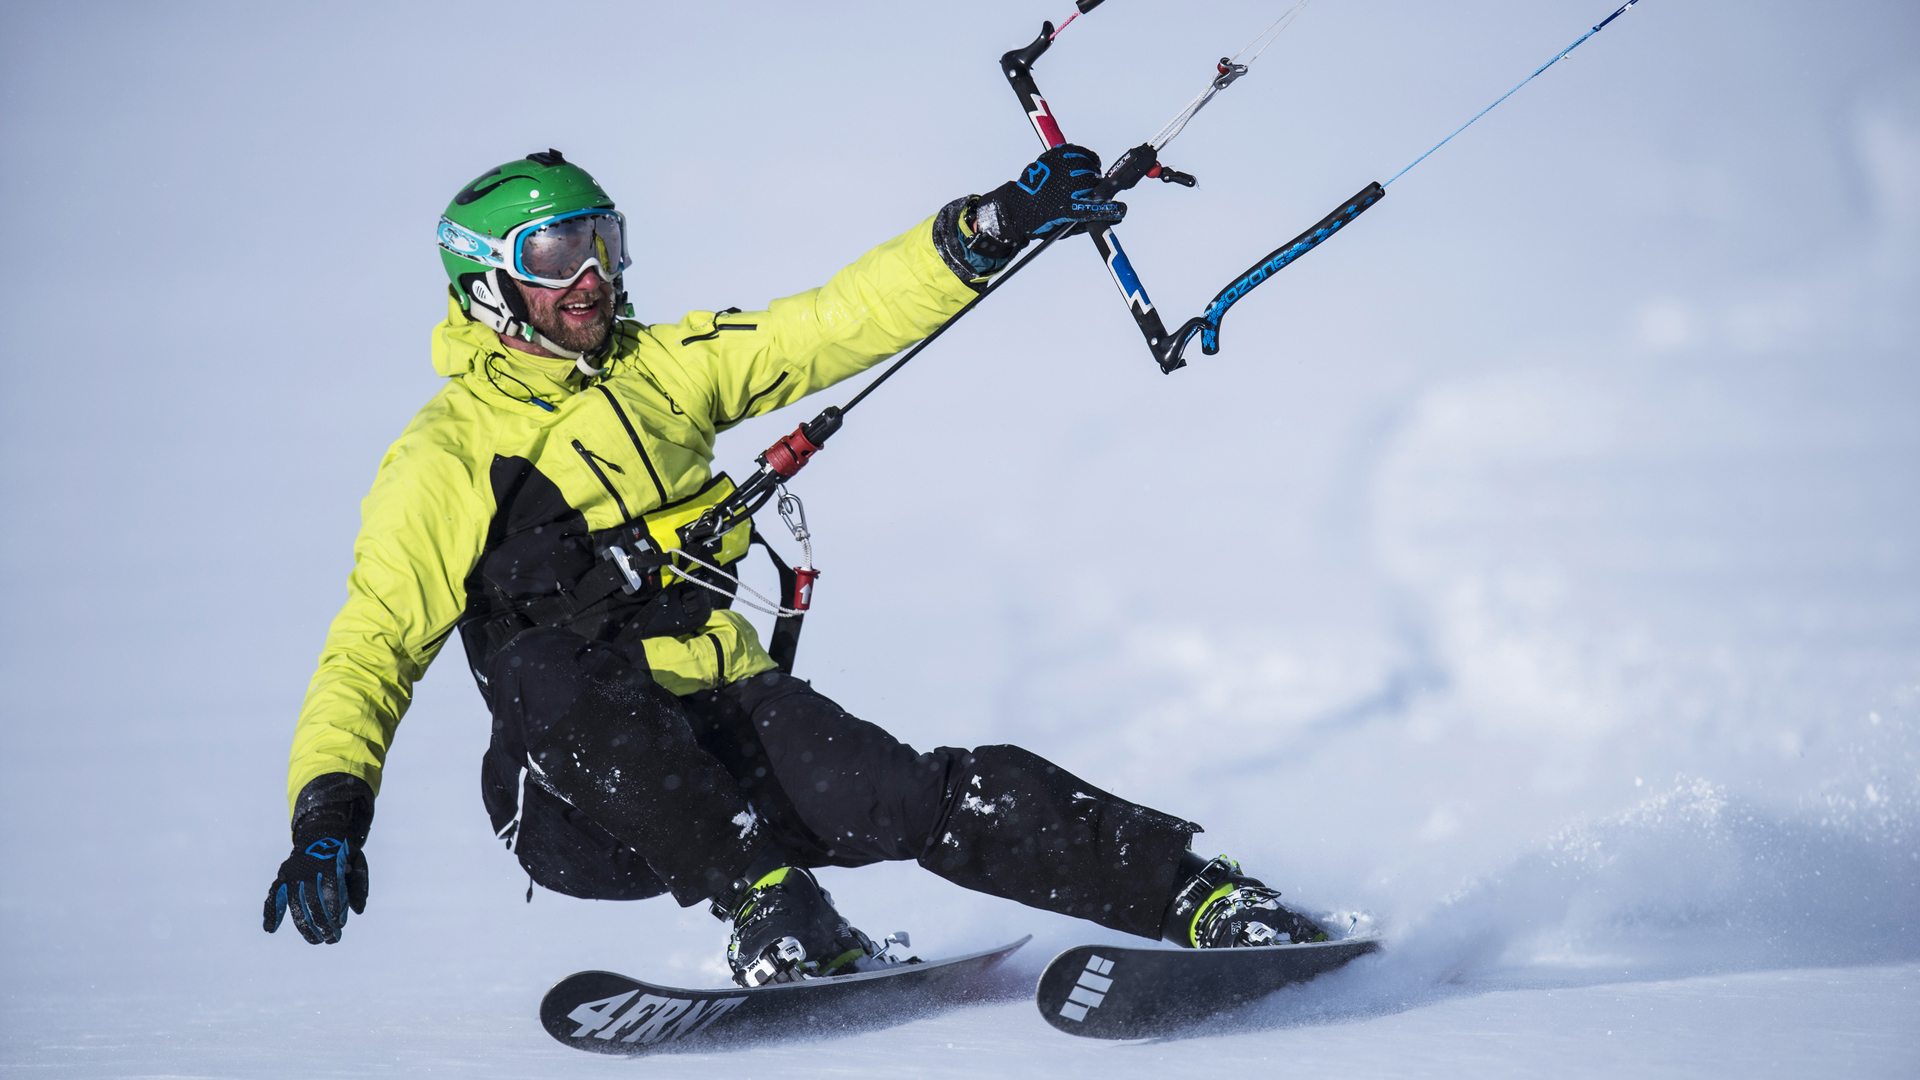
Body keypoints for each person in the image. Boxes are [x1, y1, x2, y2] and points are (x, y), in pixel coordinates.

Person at [263, 147, 1327, 984]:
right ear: (487, 282)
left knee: (919, 795)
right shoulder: (446, 456)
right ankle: (770, 909)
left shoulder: (662, 366)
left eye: (602, 241)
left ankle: (1196, 896)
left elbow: (828, 324)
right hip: (583, 804)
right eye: (554, 255)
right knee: (536, 664)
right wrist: (328, 818)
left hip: (724, 717)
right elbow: (372, 647)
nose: (590, 277)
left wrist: (987, 228)